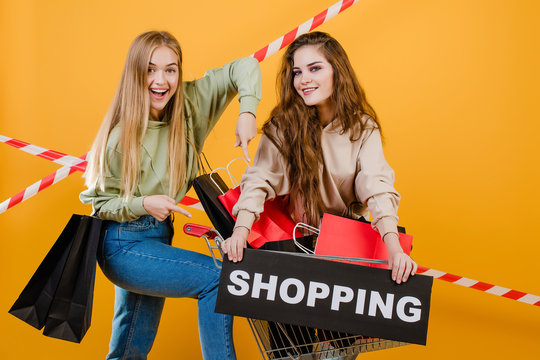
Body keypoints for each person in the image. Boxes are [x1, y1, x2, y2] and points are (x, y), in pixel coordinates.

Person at [80, 30, 261, 360]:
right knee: (218, 280)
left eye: (170, 69)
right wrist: (143, 203)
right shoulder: (121, 136)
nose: (160, 80)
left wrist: (247, 111)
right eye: (150, 69)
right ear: (136, 73)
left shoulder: (192, 103)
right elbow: (97, 202)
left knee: (130, 348)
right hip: (123, 244)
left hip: (158, 238)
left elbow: (245, 66)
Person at [222, 31, 417, 284]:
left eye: (315, 68)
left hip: (346, 249)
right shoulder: (283, 126)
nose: (304, 79)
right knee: (288, 325)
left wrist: (394, 251)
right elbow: (260, 180)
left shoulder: (363, 128)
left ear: (338, 71)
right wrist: (240, 233)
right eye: (297, 72)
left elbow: (377, 187)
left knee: (340, 323)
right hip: (292, 247)